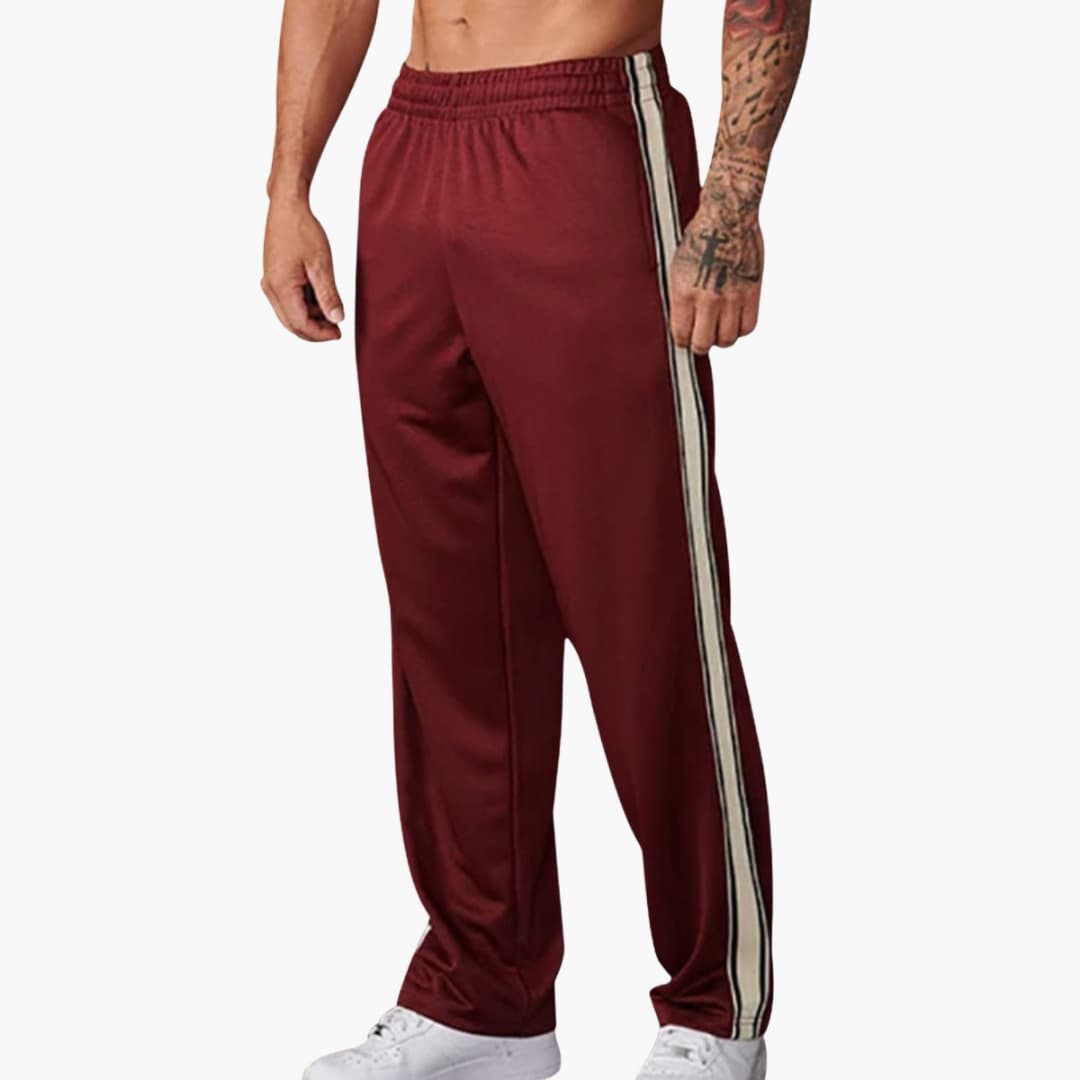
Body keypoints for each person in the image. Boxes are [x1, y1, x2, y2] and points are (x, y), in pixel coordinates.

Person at [262, 2, 810, 1077]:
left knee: (646, 606)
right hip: (414, 143)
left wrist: (733, 194)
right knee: (450, 616)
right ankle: (485, 996)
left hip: (580, 127)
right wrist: (289, 187)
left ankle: (715, 1011)